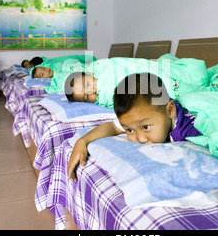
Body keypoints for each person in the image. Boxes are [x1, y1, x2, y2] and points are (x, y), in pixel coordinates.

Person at [67, 73, 202, 181]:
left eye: (146, 127)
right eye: (130, 130)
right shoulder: (144, 114)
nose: (140, 139)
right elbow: (112, 127)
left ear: (170, 111)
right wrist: (82, 141)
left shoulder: (189, 131)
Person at [64, 55, 209, 108]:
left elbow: (127, 64)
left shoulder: (103, 67)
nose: (92, 92)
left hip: (148, 72)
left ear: (89, 73)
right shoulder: (105, 99)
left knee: (168, 72)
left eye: (87, 85)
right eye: (87, 97)